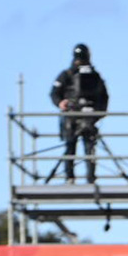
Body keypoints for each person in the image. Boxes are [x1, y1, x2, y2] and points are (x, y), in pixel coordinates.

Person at [51, 43, 108, 183]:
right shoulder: (67, 75)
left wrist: (98, 113)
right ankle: (70, 177)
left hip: (89, 117)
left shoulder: (95, 76)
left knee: (89, 148)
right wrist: (61, 102)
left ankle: (90, 177)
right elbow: (54, 93)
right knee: (70, 146)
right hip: (71, 117)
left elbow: (104, 96)